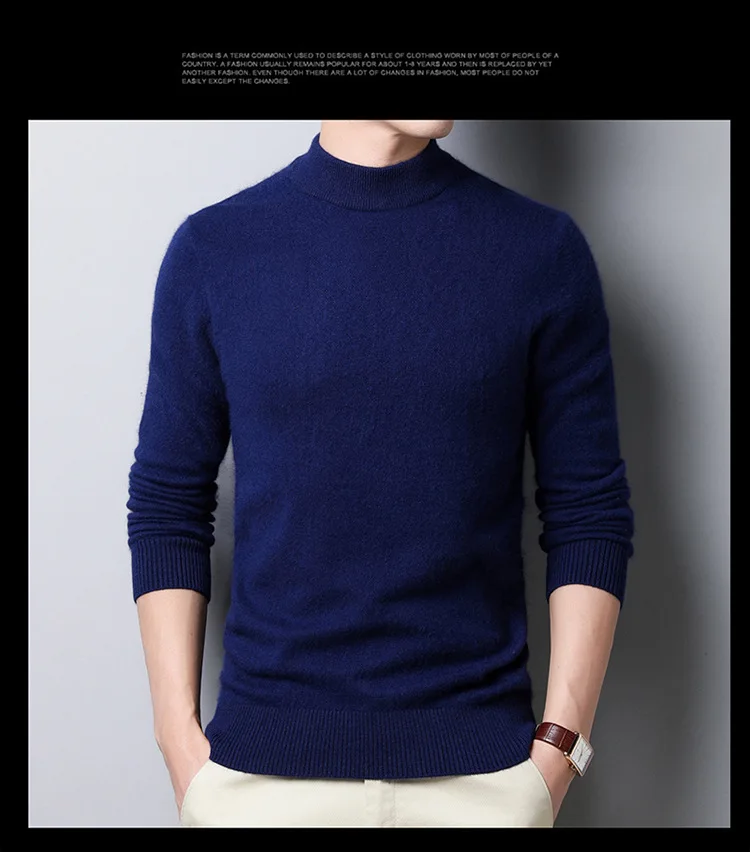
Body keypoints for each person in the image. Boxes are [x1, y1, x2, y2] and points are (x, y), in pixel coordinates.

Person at [127, 119, 635, 828]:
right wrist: (177, 739)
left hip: (483, 781)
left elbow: (589, 510)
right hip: (261, 783)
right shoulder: (217, 248)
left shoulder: (540, 251)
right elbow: (168, 502)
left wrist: (559, 749)